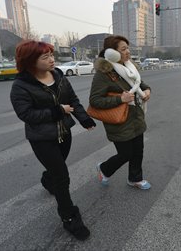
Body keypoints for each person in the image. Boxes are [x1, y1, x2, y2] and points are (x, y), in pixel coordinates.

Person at [10, 40, 96, 240]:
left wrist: (84, 119)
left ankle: (48, 179)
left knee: (57, 169)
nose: (51, 59)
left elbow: (73, 100)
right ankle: (69, 217)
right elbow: (26, 114)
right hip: (42, 139)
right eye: (45, 56)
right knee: (62, 176)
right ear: (30, 61)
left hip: (64, 133)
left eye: (51, 54)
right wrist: (58, 111)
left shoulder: (58, 75)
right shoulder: (21, 85)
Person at [89, 35, 152, 190]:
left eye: (127, 48)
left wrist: (147, 89)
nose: (128, 52)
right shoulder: (104, 73)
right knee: (125, 154)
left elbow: (139, 83)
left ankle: (135, 178)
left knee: (138, 151)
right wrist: (120, 100)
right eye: (123, 49)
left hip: (136, 116)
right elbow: (95, 101)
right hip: (120, 120)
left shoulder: (130, 67)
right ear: (111, 53)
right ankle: (104, 168)